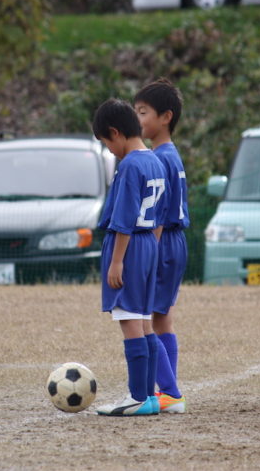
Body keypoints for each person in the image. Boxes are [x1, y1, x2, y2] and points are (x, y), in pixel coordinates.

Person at [91, 98, 167, 417]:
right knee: (144, 321)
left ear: (115, 132)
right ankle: (148, 397)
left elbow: (124, 217)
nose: (110, 151)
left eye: (106, 143)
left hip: (130, 246)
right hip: (148, 244)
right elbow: (161, 215)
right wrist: (150, 252)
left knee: (129, 319)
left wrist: (117, 260)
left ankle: (136, 396)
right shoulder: (155, 161)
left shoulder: (130, 165)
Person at [134, 78, 189, 414]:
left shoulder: (159, 158)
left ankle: (170, 391)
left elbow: (158, 214)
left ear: (165, 117)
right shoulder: (170, 154)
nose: (137, 119)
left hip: (163, 241)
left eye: (143, 112)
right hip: (175, 241)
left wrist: (148, 254)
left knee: (146, 318)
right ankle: (168, 391)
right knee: (161, 317)